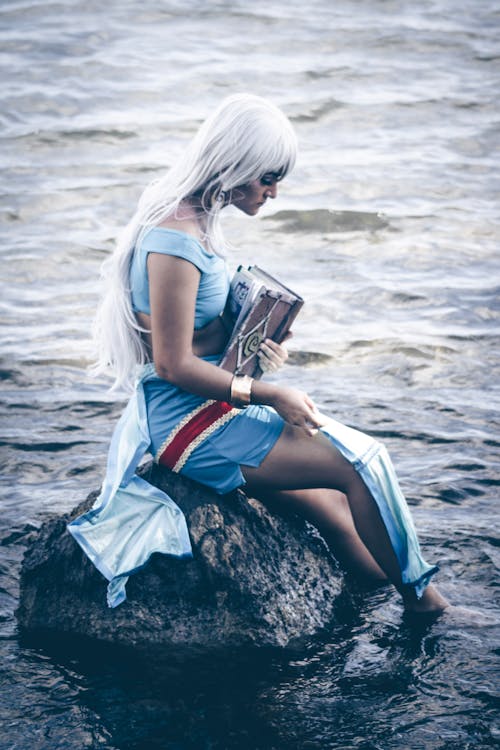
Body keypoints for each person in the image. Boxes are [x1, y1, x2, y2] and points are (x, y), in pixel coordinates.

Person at [68, 93, 449, 614]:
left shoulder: (197, 221)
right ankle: (425, 604)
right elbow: (171, 364)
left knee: (337, 509)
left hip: (209, 408)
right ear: (235, 166)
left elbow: (203, 340)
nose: (273, 192)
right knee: (364, 463)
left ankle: (375, 606)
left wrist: (256, 345)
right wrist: (268, 393)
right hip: (190, 426)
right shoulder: (174, 239)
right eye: (267, 177)